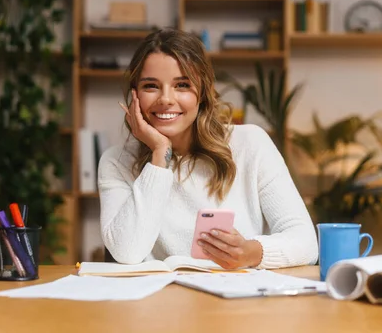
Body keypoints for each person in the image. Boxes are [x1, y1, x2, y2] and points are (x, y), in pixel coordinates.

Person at [97, 28, 318, 270]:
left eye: (182, 85)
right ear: (135, 94)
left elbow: (306, 243)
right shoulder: (116, 161)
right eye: (151, 86)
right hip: (162, 304)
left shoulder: (251, 144)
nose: (166, 99)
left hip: (239, 302)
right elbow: (126, 252)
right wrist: (160, 153)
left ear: (202, 92)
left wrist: (251, 252)